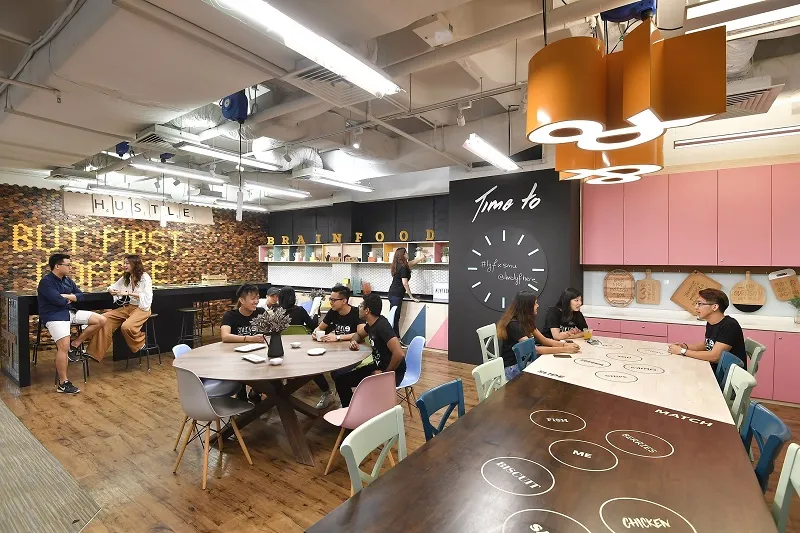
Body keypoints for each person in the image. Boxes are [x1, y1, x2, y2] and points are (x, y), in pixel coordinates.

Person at [37, 253, 108, 394]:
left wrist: (67, 297)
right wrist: (70, 299)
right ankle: (63, 383)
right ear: (57, 266)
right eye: (68, 265)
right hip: (55, 316)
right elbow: (58, 301)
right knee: (63, 346)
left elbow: (81, 296)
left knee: (101, 320)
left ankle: (75, 345)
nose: (70, 267)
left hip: (70, 312)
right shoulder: (46, 282)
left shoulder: (67, 280)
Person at [333, 293, 406, 407]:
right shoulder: (371, 324)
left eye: (361, 306)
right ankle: (349, 411)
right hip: (378, 366)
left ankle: (356, 411)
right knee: (340, 379)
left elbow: (399, 354)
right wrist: (353, 341)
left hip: (393, 372)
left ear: (367, 310)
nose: (359, 308)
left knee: (344, 382)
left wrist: (385, 374)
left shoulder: (382, 326)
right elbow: (358, 335)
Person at [497, 291, 580, 380]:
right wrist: (565, 349)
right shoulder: (514, 325)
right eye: (535, 303)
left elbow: (544, 340)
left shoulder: (526, 321)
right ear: (527, 306)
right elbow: (534, 349)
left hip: (526, 362)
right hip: (512, 367)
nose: (538, 305)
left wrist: (565, 345)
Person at [87, 255, 153, 361]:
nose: (124, 265)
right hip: (129, 307)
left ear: (135, 264)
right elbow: (113, 287)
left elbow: (147, 297)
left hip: (142, 308)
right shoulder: (127, 277)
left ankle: (140, 343)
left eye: (127, 263)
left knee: (126, 327)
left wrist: (127, 292)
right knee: (104, 319)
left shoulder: (145, 277)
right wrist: (111, 290)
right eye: (124, 263)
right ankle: (95, 353)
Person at [312, 284, 364, 408]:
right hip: (335, 352)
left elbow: (361, 333)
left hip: (353, 353)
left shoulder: (356, 312)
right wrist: (316, 333)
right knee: (313, 367)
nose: (331, 302)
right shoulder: (333, 312)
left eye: (333, 300)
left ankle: (347, 399)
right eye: (330, 299)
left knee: (337, 374)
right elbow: (320, 328)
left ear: (344, 301)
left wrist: (338, 337)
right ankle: (327, 393)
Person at [668, 288, 746, 369]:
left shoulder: (730, 325)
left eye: (700, 304)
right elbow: (707, 345)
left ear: (715, 307)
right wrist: (685, 346)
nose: (696, 307)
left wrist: (682, 351)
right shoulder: (711, 323)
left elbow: (715, 357)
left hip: (726, 375)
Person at [387, 247, 426, 338]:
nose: (408, 254)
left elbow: (412, 263)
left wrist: (421, 257)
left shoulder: (399, 265)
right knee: (395, 318)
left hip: (393, 294)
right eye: (406, 253)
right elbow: (405, 283)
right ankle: (394, 339)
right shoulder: (403, 267)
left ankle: (393, 339)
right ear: (403, 254)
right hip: (396, 295)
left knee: (394, 318)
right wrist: (411, 297)